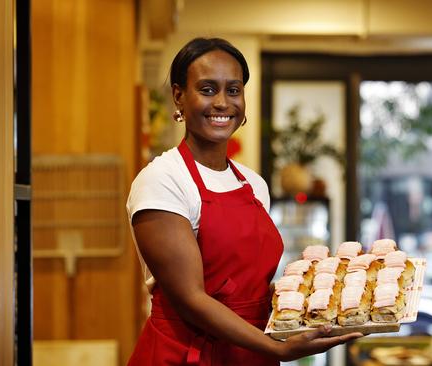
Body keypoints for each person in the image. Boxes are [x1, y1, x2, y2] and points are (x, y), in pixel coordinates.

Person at [126, 37, 362, 365]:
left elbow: (249, 288)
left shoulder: (253, 184)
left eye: (233, 90)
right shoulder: (162, 180)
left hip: (251, 352)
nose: (223, 102)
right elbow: (191, 299)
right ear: (179, 96)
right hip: (185, 354)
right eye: (207, 89)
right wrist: (278, 348)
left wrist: (307, 302)